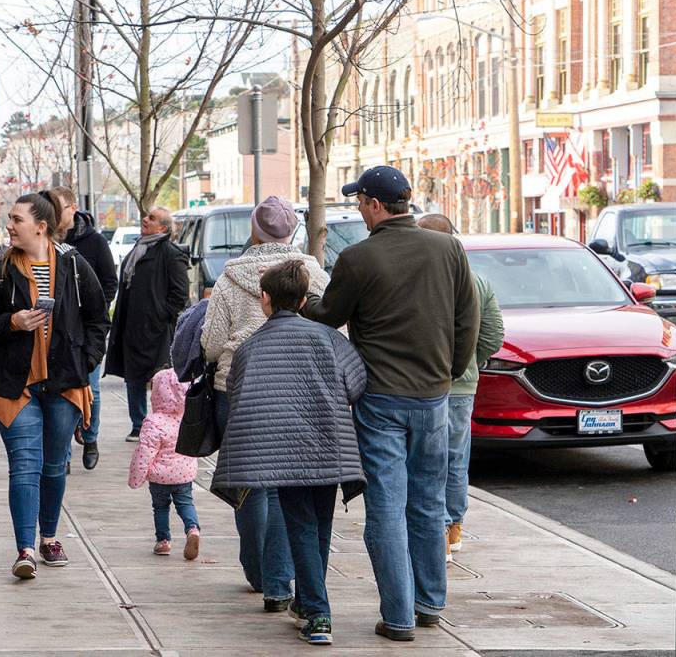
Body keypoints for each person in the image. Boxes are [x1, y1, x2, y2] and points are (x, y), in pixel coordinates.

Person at [303, 166, 479, 642]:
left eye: (360, 201)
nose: (358, 209)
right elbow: (469, 316)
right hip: (433, 397)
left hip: (380, 398)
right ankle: (429, 603)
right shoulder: (447, 248)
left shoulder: (359, 259)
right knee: (428, 503)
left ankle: (398, 616)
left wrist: (303, 302)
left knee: (385, 508)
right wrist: (449, 369)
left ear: (376, 205)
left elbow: (329, 315)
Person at [214, 260, 366, 646]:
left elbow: (238, 392)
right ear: (302, 299)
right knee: (319, 526)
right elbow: (356, 382)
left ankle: (318, 614)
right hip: (329, 446)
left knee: (301, 526)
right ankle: (307, 602)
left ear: (265, 299)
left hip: (282, 450)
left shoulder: (250, 348)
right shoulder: (330, 339)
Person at [201, 196, 331, 612]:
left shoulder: (230, 276)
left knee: (249, 484)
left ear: (254, 230)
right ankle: (278, 582)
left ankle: (259, 572)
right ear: (292, 232)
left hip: (236, 387)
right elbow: (334, 326)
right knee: (284, 488)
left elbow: (211, 344)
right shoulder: (313, 275)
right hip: (300, 387)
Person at [0, 192, 110, 580]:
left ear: (40, 226)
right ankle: (26, 549)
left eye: (17, 219)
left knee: (53, 466)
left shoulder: (74, 265)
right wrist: (11, 323)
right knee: (25, 465)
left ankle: (49, 536)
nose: (10, 225)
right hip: (16, 384)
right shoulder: (0, 269)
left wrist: (86, 361)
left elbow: (99, 319)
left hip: (64, 382)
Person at [417, 213, 504, 560]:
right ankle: (453, 528)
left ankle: (434, 529)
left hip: (421, 382)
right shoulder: (476, 281)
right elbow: (494, 336)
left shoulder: (419, 282)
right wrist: (468, 361)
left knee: (424, 460)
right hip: (461, 385)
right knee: (455, 459)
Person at [105, 207, 189, 441]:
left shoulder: (170, 254)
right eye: (146, 216)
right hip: (131, 326)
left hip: (157, 330)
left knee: (160, 378)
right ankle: (138, 424)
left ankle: (164, 424)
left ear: (162, 228)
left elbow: (180, 294)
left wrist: (161, 316)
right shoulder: (138, 249)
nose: (145, 220)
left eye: (151, 218)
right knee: (133, 377)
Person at [50, 186, 118, 470]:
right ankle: (63, 453)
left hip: (86, 330)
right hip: (56, 333)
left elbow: (109, 282)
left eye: (59, 208)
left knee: (91, 390)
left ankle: (90, 438)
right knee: (61, 392)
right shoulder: (44, 243)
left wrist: (93, 312)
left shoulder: (94, 242)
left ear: (73, 209)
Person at [127, 368, 201, 559]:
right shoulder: (186, 418)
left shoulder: (153, 421)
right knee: (186, 503)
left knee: (160, 508)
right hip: (184, 473)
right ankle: (192, 529)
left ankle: (163, 541)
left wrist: (136, 479)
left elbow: (144, 453)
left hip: (159, 478)